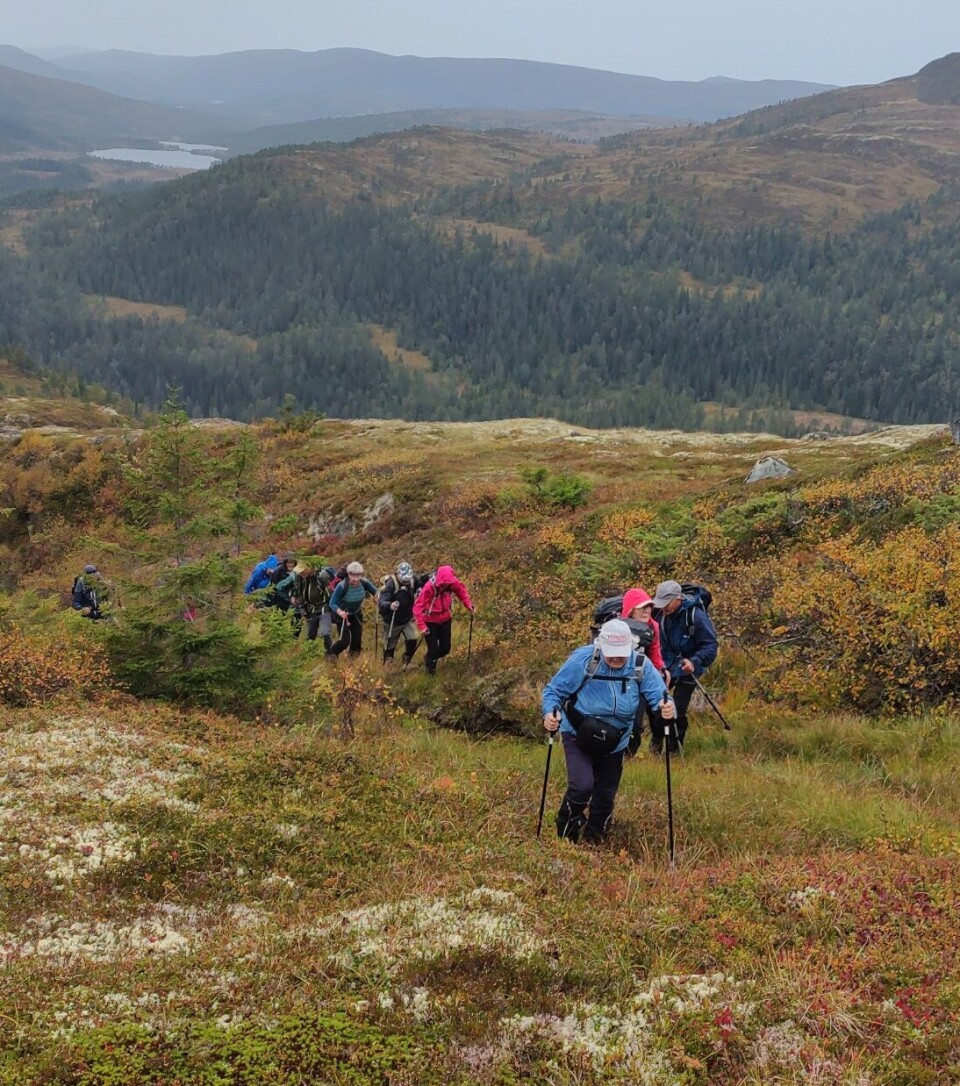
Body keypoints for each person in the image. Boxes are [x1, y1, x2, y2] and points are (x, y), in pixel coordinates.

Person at [542, 618, 676, 843]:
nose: (616, 658)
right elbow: (553, 691)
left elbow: (659, 695)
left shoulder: (640, 664)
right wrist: (550, 713)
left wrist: (666, 706)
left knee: (605, 795)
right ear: (601, 645)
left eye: (621, 654)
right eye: (611, 653)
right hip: (578, 733)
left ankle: (595, 841)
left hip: (617, 740)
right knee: (582, 786)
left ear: (629, 648)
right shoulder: (584, 659)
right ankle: (565, 834)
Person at [651, 580, 719, 754]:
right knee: (656, 702)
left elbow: (710, 645)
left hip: (690, 666)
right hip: (665, 664)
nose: (663, 607)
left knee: (678, 708)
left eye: (666, 603)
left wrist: (694, 661)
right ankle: (657, 741)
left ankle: (674, 749)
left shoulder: (696, 615)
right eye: (661, 603)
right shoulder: (659, 614)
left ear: (678, 598)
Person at [413, 565, 475, 674]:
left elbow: (461, 592)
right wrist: (422, 626)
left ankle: (428, 658)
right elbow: (418, 607)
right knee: (433, 649)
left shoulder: (452, 582)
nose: (446, 585)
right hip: (430, 621)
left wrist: (468, 605)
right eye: (444, 583)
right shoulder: (429, 587)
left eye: (448, 583)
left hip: (445, 618)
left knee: (446, 648)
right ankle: (430, 671)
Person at [378, 561, 425, 665]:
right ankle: (388, 664)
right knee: (389, 645)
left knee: (412, 639)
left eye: (408, 579)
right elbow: (382, 601)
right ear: (398, 574)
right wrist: (390, 605)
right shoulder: (391, 583)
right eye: (404, 579)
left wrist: (420, 590)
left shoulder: (412, 579)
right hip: (392, 620)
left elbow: (422, 584)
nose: (406, 582)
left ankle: (406, 661)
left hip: (407, 618)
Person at [327, 561, 378, 656]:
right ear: (348, 574)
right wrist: (340, 612)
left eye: (358, 575)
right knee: (344, 641)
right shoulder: (342, 586)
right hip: (342, 614)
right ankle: (332, 654)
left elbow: (376, 592)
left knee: (357, 641)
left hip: (356, 613)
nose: (356, 579)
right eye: (353, 576)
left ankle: (352, 661)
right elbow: (332, 603)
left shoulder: (364, 582)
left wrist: (377, 596)